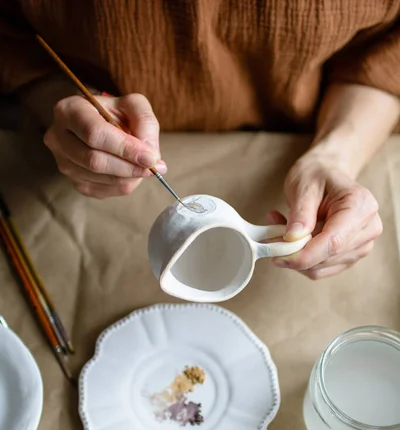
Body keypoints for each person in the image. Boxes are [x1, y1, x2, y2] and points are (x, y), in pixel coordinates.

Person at [1, 1, 399, 280]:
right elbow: (15, 39)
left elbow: (387, 51)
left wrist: (334, 156)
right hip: (80, 174)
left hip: (304, 130)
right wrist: (65, 107)